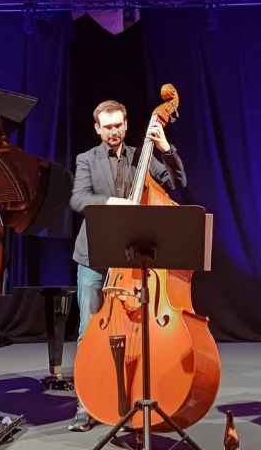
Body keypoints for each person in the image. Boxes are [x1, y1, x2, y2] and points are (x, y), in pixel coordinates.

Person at [68, 100, 187, 432]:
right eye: (107, 127)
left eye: (118, 125)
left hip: (132, 259)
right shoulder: (87, 159)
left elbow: (177, 182)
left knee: (138, 330)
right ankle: (85, 404)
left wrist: (166, 148)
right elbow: (78, 199)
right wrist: (111, 202)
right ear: (97, 129)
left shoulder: (141, 156)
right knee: (89, 329)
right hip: (94, 256)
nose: (114, 132)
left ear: (126, 124)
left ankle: (130, 395)